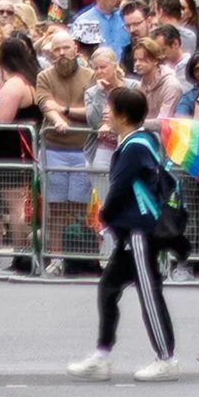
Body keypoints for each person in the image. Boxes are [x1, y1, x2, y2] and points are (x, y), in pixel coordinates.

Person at [66, 78, 178, 380]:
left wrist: (104, 215)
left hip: (139, 230)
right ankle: (102, 355)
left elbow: (119, 189)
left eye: (110, 108)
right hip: (131, 231)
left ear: (124, 115)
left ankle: (165, 358)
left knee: (149, 292)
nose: (106, 112)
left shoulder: (133, 148)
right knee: (108, 287)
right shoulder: (139, 141)